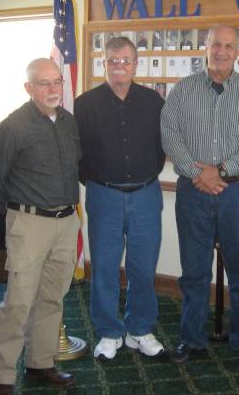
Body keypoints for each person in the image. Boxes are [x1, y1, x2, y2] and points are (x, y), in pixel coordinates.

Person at [161, 25, 239, 370]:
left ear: (238, 51)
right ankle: (191, 340)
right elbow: (169, 133)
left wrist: (221, 171)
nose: (222, 51)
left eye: (229, 46)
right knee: (193, 272)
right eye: (216, 44)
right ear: (205, 47)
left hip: (238, 192)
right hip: (193, 192)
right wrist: (198, 174)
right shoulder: (182, 90)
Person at [0, 58, 81, 395]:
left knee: (53, 297)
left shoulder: (68, 121)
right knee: (18, 301)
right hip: (29, 224)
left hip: (66, 222)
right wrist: (19, 217)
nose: (54, 88)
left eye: (57, 82)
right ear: (29, 88)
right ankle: (2, 376)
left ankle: (41, 362)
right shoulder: (13, 127)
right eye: (45, 83)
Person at [75, 37, 166, 360]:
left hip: (145, 195)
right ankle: (110, 332)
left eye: (126, 60)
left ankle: (139, 329)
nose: (119, 66)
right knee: (104, 267)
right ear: (103, 63)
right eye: (113, 60)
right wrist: (99, 182)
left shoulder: (153, 102)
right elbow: (78, 153)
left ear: (136, 64)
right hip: (104, 195)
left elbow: (161, 148)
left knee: (143, 267)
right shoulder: (84, 104)